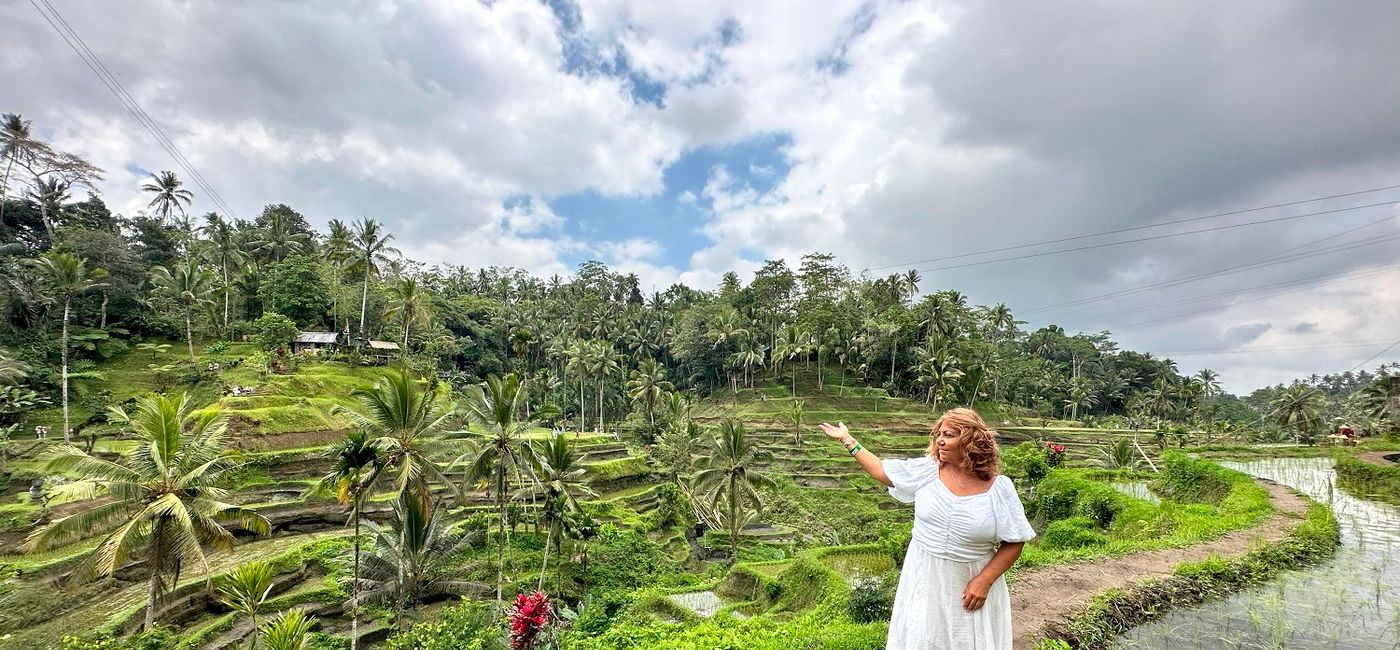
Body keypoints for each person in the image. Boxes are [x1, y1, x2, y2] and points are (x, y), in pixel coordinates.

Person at [821, 407, 1035, 649]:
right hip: (925, 576)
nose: (940, 441)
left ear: (970, 440)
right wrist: (848, 440)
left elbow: (1015, 541)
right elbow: (881, 470)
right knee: (923, 638)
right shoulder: (928, 470)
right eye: (938, 434)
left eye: (949, 435)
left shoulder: (999, 488)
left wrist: (984, 581)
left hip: (970, 582)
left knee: (967, 639)